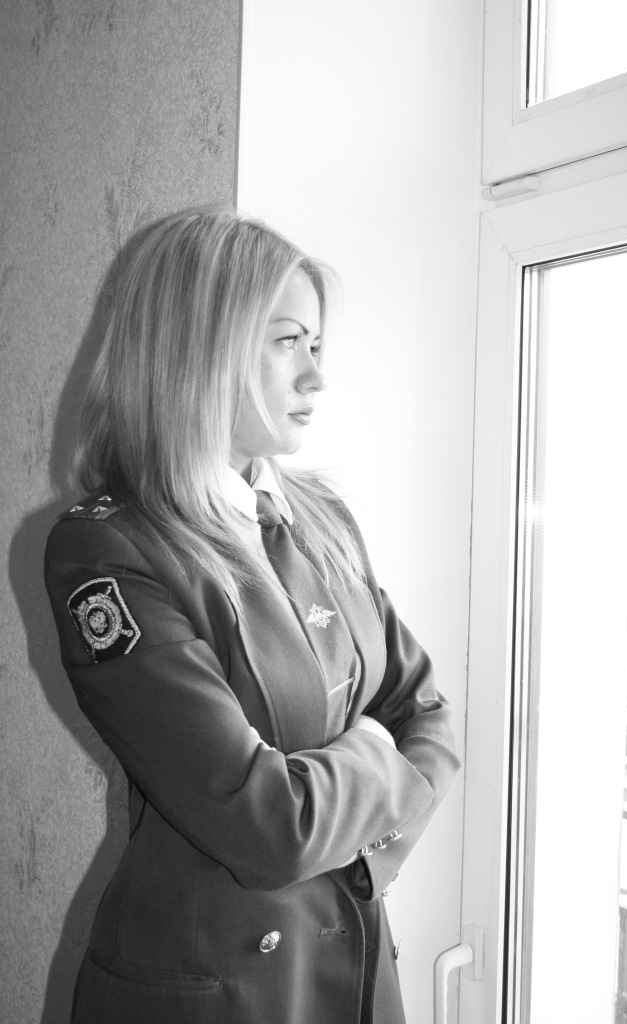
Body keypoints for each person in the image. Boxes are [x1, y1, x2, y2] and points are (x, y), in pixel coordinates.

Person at [44, 206, 459, 1024]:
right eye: (287, 341)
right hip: (214, 993)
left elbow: (428, 712)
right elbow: (266, 826)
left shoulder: (321, 516)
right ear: (199, 348)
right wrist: (376, 751)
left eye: (317, 345)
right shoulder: (108, 549)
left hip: (354, 967)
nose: (316, 377)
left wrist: (363, 853)